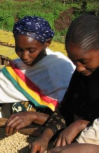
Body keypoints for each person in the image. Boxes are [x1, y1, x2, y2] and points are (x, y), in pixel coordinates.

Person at [0, 16, 75, 141]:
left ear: (47, 43)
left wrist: (33, 116)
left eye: (31, 50)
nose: (24, 56)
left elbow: (70, 117)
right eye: (19, 49)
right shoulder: (14, 70)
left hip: (54, 127)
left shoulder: (61, 66)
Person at [30, 15, 99, 153]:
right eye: (73, 61)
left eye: (84, 61)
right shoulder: (82, 75)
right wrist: (45, 137)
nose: (78, 68)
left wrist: (81, 125)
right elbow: (65, 109)